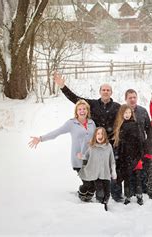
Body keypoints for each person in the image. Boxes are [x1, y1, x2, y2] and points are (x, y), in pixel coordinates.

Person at [53, 72, 122, 201]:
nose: (106, 92)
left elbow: (126, 117)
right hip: (95, 145)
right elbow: (75, 99)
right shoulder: (93, 104)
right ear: (100, 91)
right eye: (103, 90)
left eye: (108, 90)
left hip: (109, 145)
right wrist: (63, 87)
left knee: (109, 169)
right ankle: (92, 192)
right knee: (94, 172)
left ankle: (110, 195)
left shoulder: (117, 107)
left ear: (111, 92)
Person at [28, 100, 96, 201]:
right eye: (79, 109)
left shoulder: (92, 123)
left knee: (93, 186)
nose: (82, 111)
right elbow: (57, 132)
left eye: (84, 109)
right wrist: (40, 138)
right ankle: (82, 196)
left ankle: (88, 197)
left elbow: (97, 138)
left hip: (91, 159)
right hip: (78, 159)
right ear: (76, 111)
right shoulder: (71, 123)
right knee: (87, 183)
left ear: (87, 110)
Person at [77, 127, 116, 211]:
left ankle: (105, 203)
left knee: (107, 193)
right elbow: (86, 157)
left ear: (105, 136)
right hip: (96, 174)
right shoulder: (92, 147)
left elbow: (112, 160)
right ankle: (100, 207)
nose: (100, 135)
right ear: (95, 136)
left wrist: (114, 172)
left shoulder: (108, 146)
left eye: (102, 134)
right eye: (98, 133)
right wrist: (81, 156)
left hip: (105, 174)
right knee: (100, 192)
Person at [113, 104, 145, 205]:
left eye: (129, 112)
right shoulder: (119, 125)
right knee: (126, 176)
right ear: (121, 114)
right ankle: (127, 196)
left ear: (132, 114)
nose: (127, 114)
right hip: (124, 156)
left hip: (135, 155)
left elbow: (140, 141)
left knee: (137, 176)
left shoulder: (135, 124)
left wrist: (140, 155)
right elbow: (118, 143)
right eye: (125, 113)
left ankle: (139, 196)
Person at [124, 89, 151, 196]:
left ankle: (142, 190)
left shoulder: (142, 111)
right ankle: (130, 191)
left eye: (134, 97)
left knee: (142, 169)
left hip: (141, 145)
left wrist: (148, 143)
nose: (132, 99)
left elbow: (148, 128)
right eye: (130, 97)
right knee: (129, 170)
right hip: (127, 146)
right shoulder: (122, 111)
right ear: (126, 99)